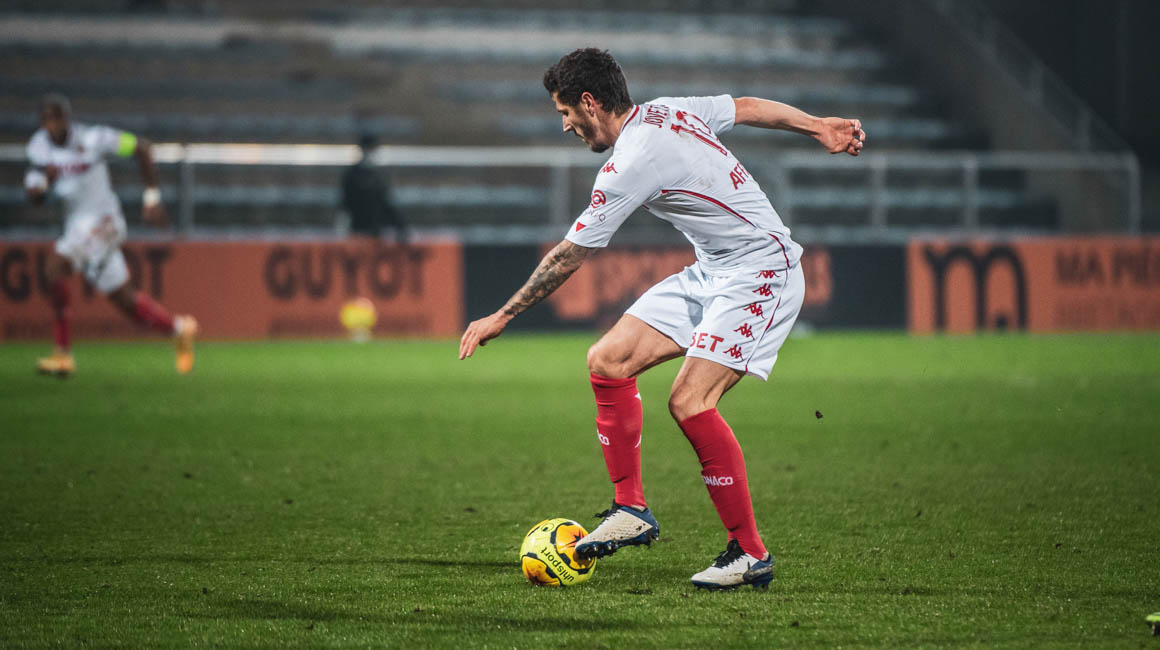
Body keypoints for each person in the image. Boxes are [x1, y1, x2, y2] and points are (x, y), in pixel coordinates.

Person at [459, 49, 865, 589]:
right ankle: (631, 509)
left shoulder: (631, 162)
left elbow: (569, 256)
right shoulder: (669, 109)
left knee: (690, 401)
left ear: (590, 102)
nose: (565, 126)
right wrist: (816, 126)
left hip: (762, 271)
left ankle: (749, 553)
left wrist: (502, 315)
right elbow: (745, 106)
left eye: (565, 112)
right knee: (608, 360)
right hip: (713, 270)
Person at [24, 94, 197, 377]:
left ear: (68, 118)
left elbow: (141, 147)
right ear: (42, 122)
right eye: (48, 119)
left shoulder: (95, 138)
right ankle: (179, 329)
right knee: (125, 301)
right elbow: (33, 196)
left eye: (59, 117)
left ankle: (63, 355)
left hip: (104, 221)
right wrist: (45, 182)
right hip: (76, 226)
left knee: (54, 267)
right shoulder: (38, 148)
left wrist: (152, 198)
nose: (54, 124)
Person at [340, 133, 407, 242]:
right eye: (368, 149)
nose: (370, 153)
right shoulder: (352, 174)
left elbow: (386, 202)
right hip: (357, 230)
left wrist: (400, 226)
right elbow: (345, 203)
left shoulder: (380, 175)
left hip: (378, 230)